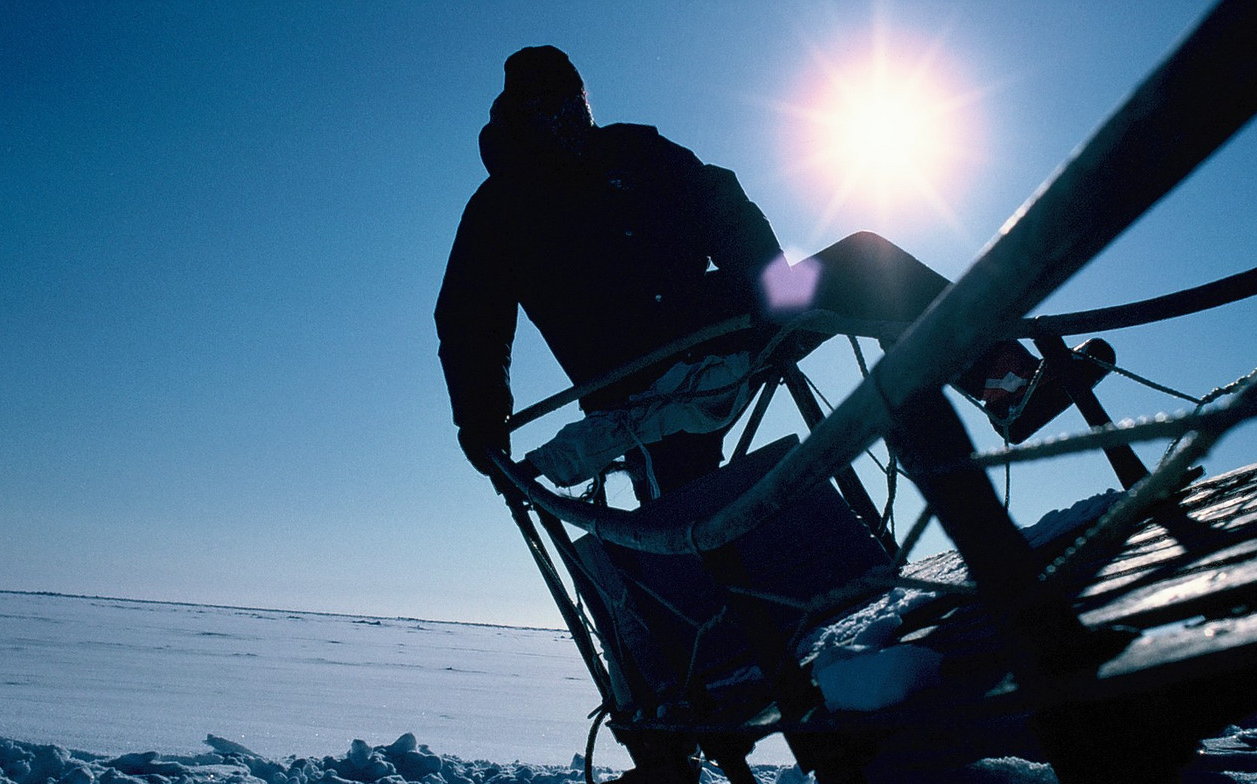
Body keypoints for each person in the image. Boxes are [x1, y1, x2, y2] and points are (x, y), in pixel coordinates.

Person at [434, 46, 1049, 500]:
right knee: (693, 517)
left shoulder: (634, 151)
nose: (570, 123)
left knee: (867, 260)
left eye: (577, 106)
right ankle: (730, 645)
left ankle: (1003, 379)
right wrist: (482, 423)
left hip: (730, 317)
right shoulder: (499, 211)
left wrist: (773, 285)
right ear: (522, 118)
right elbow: (471, 323)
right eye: (551, 113)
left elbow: (723, 204)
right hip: (634, 386)